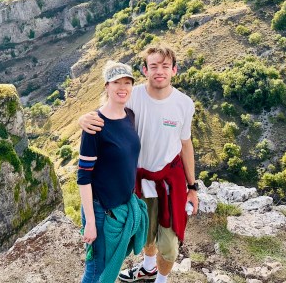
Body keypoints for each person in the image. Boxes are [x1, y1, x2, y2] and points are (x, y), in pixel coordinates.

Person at [79, 45, 198, 283]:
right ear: (145, 70)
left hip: (168, 182)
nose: (159, 71)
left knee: (170, 247)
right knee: (146, 237)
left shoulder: (184, 104)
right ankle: (147, 267)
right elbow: (107, 112)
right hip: (139, 184)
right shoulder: (135, 98)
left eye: (165, 66)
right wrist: (82, 118)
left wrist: (193, 187)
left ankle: (160, 280)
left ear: (174, 70)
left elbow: (186, 144)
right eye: (153, 66)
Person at [78, 61, 148, 283]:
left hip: (121, 208)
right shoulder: (94, 125)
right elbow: (84, 178)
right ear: (106, 86)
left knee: (108, 265)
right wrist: (90, 221)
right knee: (96, 269)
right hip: (100, 210)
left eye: (127, 82)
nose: (122, 87)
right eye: (117, 82)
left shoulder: (129, 116)